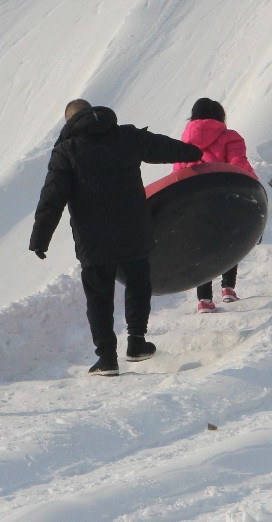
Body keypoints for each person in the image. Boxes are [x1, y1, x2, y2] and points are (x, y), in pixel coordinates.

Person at [29, 100, 201, 376]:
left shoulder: (67, 151)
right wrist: (193, 152)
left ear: (70, 122)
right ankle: (136, 343)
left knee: (99, 295)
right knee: (137, 284)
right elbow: (162, 147)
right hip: (133, 227)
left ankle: (107, 358)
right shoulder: (127, 136)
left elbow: (52, 197)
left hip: (92, 236)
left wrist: (40, 237)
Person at [171, 98, 258, 313]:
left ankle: (204, 301)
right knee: (231, 240)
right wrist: (256, 189)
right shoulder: (230, 137)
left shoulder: (183, 144)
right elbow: (240, 166)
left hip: (195, 202)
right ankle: (228, 288)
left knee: (203, 247)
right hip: (225, 199)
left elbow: (177, 175)